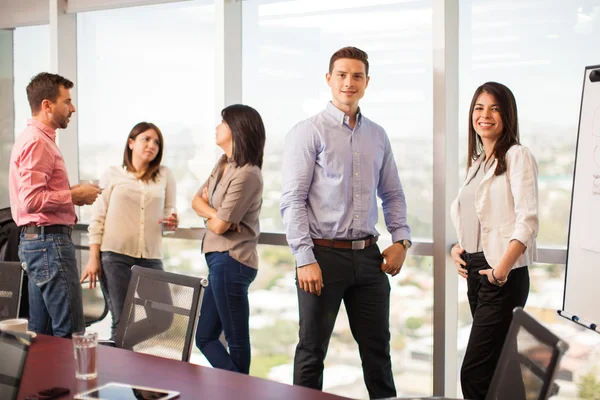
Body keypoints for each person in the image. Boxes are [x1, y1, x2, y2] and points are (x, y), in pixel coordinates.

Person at [280, 47, 411, 399]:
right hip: (321, 259)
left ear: (366, 82)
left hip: (369, 259)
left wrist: (401, 240)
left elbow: (393, 194)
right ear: (328, 79)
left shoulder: (378, 135)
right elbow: (292, 201)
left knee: (378, 354)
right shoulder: (307, 132)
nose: (348, 82)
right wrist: (304, 259)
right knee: (311, 352)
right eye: (341, 74)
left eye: (356, 76)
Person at [450, 81, 538, 399]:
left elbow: (527, 221)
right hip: (477, 270)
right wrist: (457, 249)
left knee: (473, 373)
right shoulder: (478, 163)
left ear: (507, 115)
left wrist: (500, 268)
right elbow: (479, 218)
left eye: (495, 108)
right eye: (479, 108)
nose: (485, 115)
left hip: (502, 274)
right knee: (501, 366)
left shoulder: (517, 156)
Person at [9, 72, 102, 338]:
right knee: (72, 334)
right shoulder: (37, 142)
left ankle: (46, 382)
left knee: (44, 335)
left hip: (39, 244)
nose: (72, 108)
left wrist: (72, 192)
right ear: (47, 105)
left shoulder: (36, 139)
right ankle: (70, 381)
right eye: (67, 101)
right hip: (48, 244)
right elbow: (31, 200)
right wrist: (73, 196)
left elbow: (37, 193)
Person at [80, 122, 178, 341]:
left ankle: (113, 347)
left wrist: (170, 223)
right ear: (131, 143)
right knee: (123, 319)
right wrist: (93, 257)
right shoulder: (112, 174)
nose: (152, 145)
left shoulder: (165, 175)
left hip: (150, 258)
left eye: (157, 142)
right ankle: (122, 362)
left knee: (163, 317)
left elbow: (168, 214)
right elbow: (97, 218)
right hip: (114, 257)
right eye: (146, 139)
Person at [192, 104, 265, 375]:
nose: (216, 127)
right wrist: (216, 215)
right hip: (219, 262)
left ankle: (239, 391)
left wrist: (217, 219)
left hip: (233, 261)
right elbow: (196, 201)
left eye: (222, 122)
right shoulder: (223, 164)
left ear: (236, 130)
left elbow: (221, 226)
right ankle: (238, 387)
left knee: (236, 340)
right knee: (204, 337)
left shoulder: (248, 174)